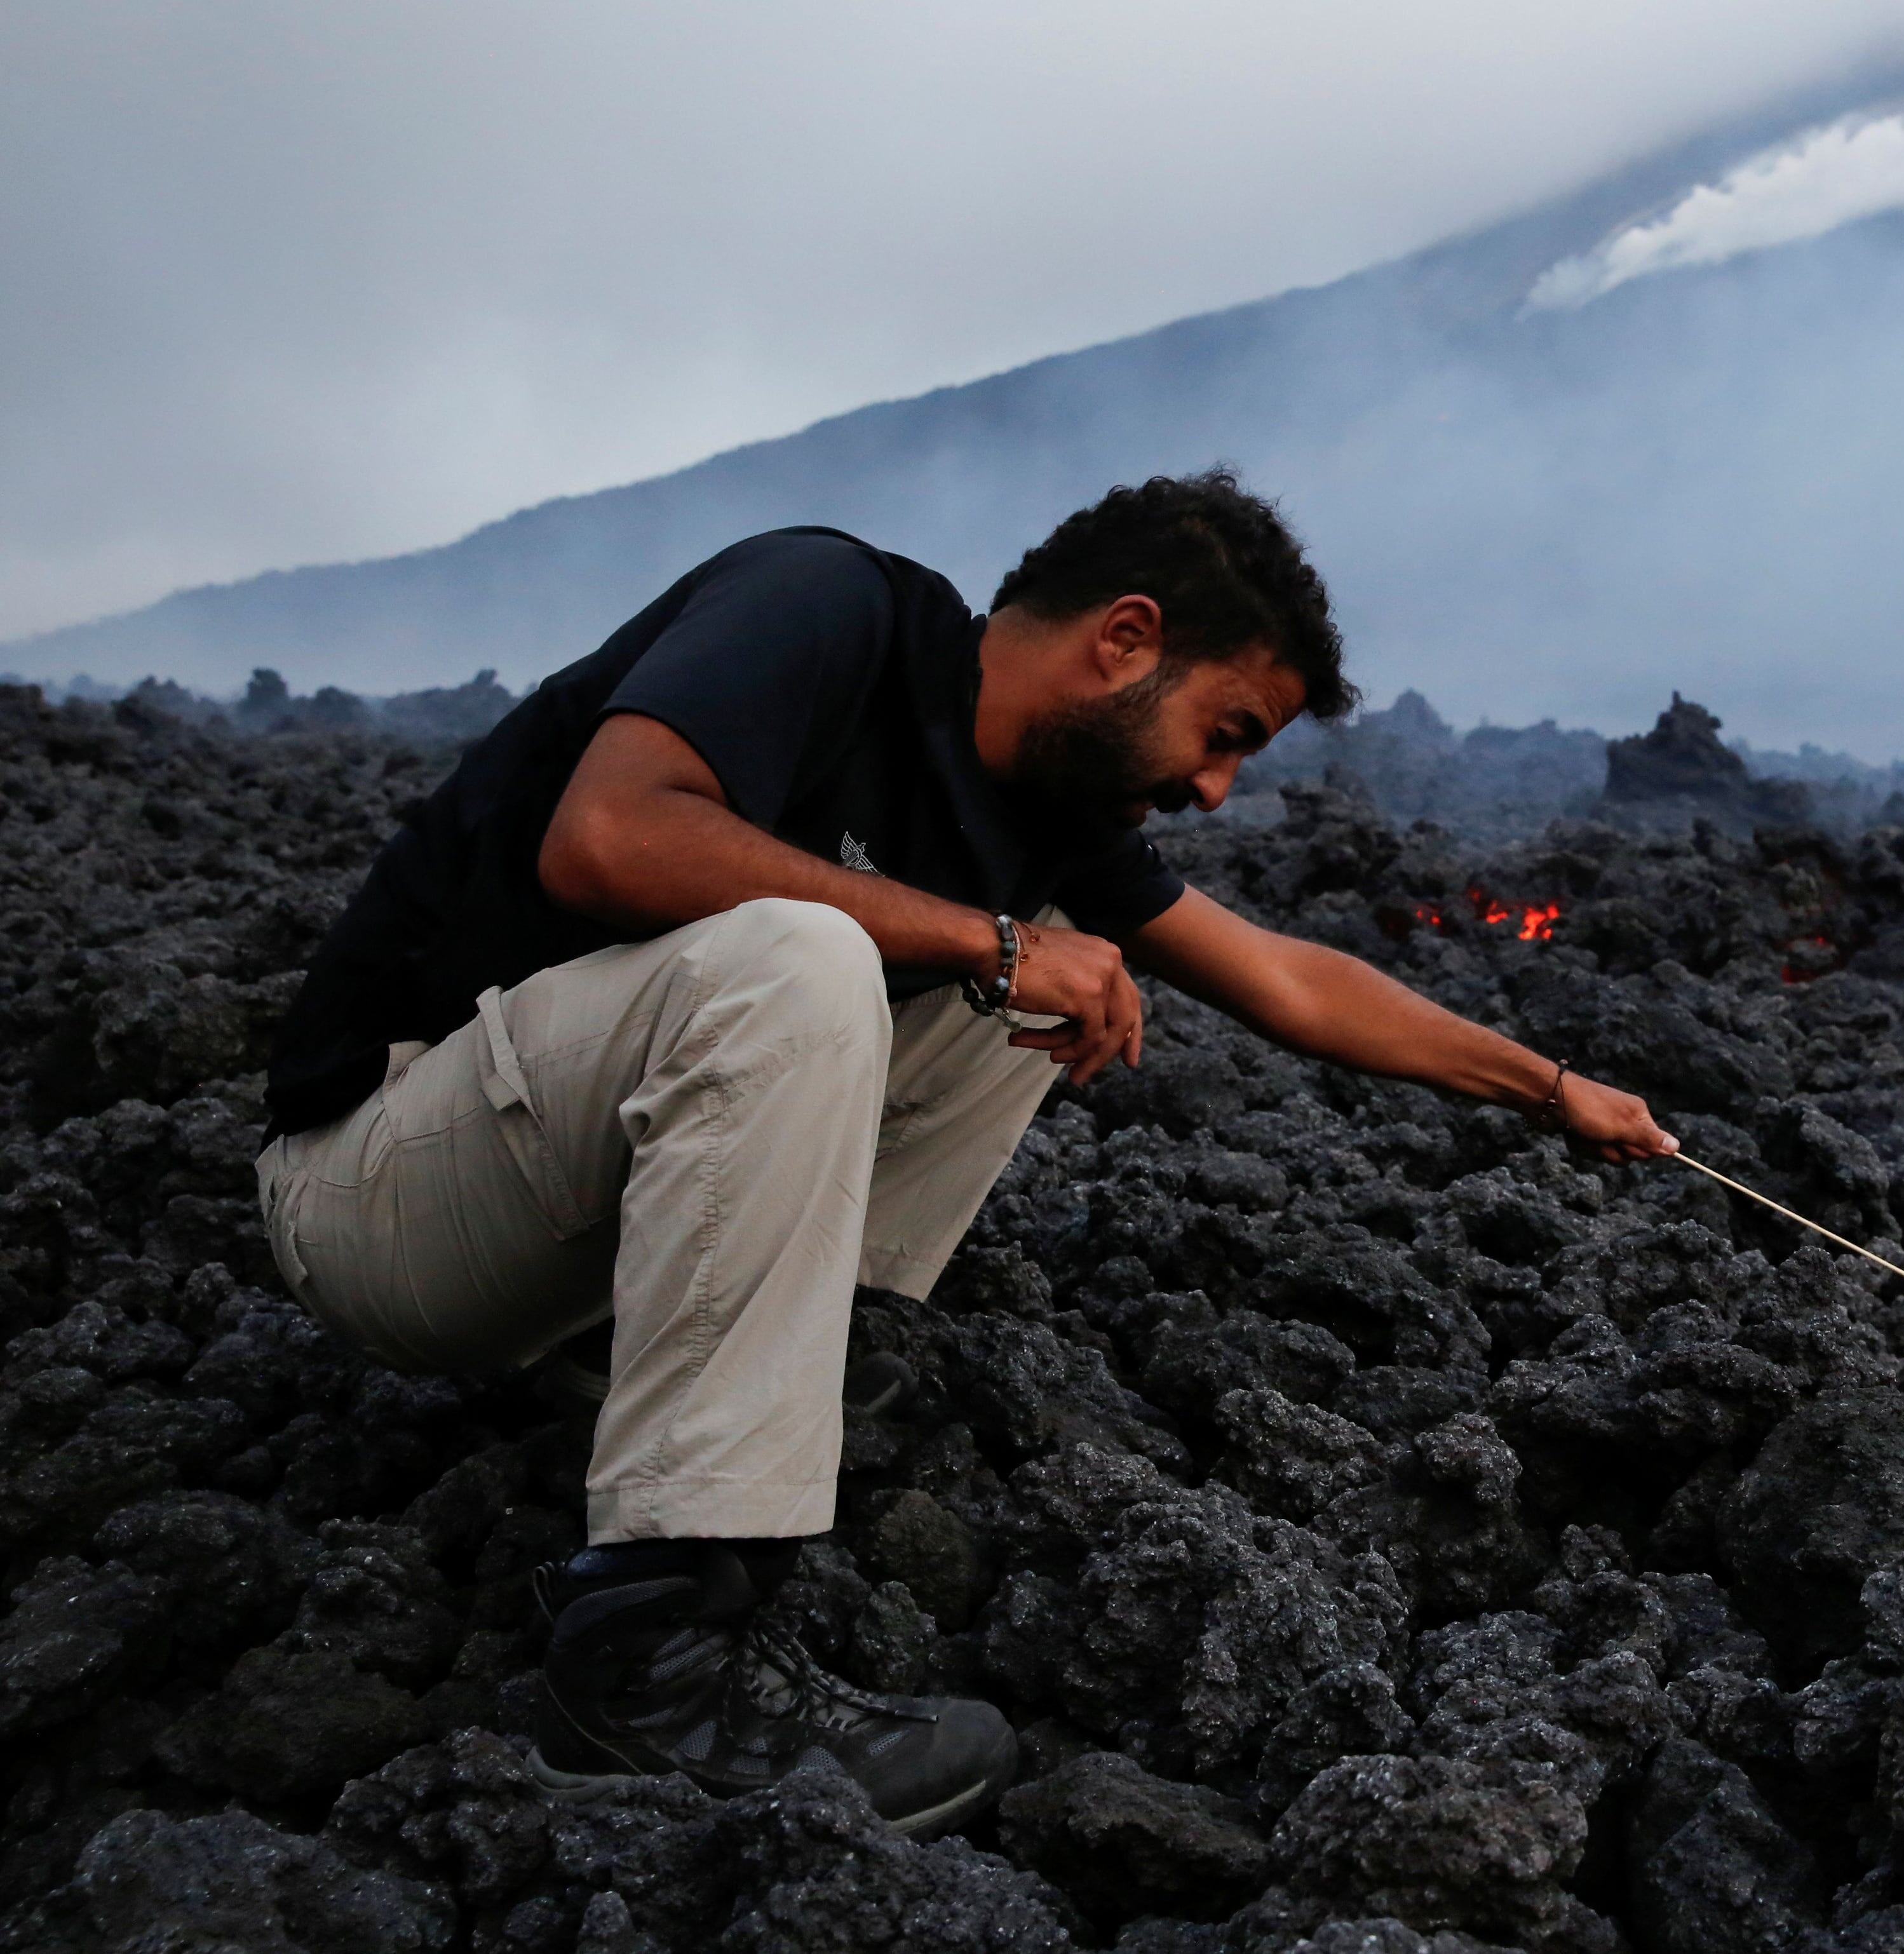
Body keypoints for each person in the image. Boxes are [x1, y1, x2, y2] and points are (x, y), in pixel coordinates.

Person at [254, 470, 1674, 1836]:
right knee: (825, 956)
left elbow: (1285, 979)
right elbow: (611, 837)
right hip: (378, 1190)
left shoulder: (1047, 807)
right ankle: (654, 1649)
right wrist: (990, 938)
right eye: (1225, 729)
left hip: (544, 1217)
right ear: (1127, 640)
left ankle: (732, 1371)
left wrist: (1550, 1087)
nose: (1220, 789)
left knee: (1057, 975)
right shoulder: (825, 604)